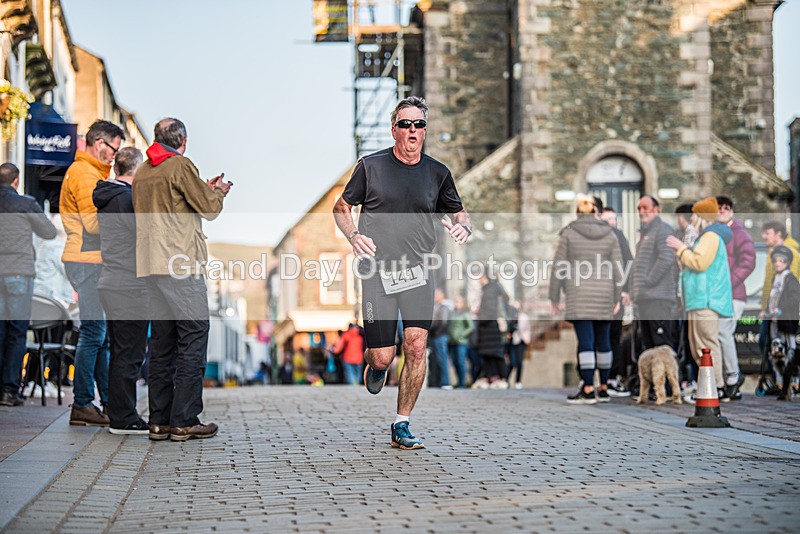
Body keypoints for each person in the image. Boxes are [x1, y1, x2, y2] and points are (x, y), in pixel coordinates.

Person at [333, 96, 471, 450]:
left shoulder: (437, 173)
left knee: (417, 344)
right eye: (406, 124)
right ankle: (375, 365)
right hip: (378, 272)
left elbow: (460, 212)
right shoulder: (371, 167)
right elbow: (342, 207)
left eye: (419, 124)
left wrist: (462, 227)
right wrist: (354, 235)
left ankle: (402, 423)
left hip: (419, 271)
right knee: (383, 355)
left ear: (424, 131)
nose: (413, 130)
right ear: (394, 129)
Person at [132, 118, 231, 442]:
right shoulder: (179, 165)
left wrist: (200, 186)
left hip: (150, 264)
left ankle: (159, 421)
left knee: (162, 344)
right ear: (183, 141)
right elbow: (208, 208)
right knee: (193, 336)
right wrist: (216, 191)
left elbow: (172, 204)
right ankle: (185, 419)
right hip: (180, 264)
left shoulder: (144, 172)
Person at [61, 120, 125, 426]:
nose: (115, 156)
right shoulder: (85, 174)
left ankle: (108, 402)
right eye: (114, 148)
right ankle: (83, 403)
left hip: (92, 260)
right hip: (86, 260)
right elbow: (94, 224)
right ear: (99, 144)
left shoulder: (93, 173)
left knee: (102, 338)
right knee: (94, 333)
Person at [93, 147, 149, 434]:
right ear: (136, 170)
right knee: (130, 354)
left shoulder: (108, 197)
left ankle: (119, 414)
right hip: (129, 284)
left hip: (111, 280)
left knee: (119, 351)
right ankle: (124, 418)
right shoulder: (128, 200)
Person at [550, 195, 622, 404]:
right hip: (605, 293)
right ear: (595, 213)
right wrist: (617, 295)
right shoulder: (610, 234)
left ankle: (588, 388)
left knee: (586, 341)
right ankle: (604, 386)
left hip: (578, 293)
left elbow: (559, 266)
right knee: (604, 340)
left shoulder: (569, 233)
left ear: (577, 213)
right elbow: (618, 267)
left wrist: (554, 296)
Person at [0, 163, 57, 406]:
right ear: (16, 181)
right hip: (19, 271)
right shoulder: (25, 203)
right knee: (16, 331)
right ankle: (9, 390)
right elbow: (49, 232)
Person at [667, 197, 733, 398]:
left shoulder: (710, 237)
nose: (692, 218)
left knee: (707, 345)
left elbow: (699, 263)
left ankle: (717, 387)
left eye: (695, 214)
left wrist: (681, 248)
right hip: (697, 300)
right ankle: (708, 387)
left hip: (706, 301)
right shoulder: (704, 237)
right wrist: (682, 254)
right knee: (698, 347)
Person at [625, 195, 678, 352]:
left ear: (656, 209)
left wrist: (648, 280)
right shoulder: (645, 233)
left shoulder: (663, 230)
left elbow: (667, 258)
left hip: (658, 300)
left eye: (645, 208)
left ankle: (668, 377)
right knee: (649, 346)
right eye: (639, 208)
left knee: (662, 346)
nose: (641, 211)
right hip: (646, 299)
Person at [715, 196, 755, 400]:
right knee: (716, 336)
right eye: (718, 208)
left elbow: (748, 261)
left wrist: (728, 283)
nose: (722, 211)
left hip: (733, 293)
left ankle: (732, 377)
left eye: (725, 208)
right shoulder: (714, 232)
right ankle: (725, 380)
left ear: (731, 211)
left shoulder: (738, 233)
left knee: (723, 332)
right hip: (717, 294)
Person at [600, 206, 633, 396]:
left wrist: (626, 290)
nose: (610, 223)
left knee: (613, 336)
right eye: (607, 219)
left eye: (613, 219)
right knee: (603, 337)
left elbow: (628, 262)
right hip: (601, 295)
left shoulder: (618, 237)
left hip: (616, 296)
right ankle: (604, 379)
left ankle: (611, 378)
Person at [759, 221, 800, 364]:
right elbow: (770, 285)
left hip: (785, 313)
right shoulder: (773, 253)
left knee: (786, 347)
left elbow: (790, 286)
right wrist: (765, 307)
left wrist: (782, 309)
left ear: (778, 234)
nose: (764, 236)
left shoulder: (789, 254)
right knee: (768, 345)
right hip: (772, 311)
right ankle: (778, 380)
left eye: (768, 233)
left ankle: (787, 380)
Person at [765, 245, 800, 400]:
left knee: (789, 354)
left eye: (781, 261)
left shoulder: (790, 279)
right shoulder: (776, 278)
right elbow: (772, 297)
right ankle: (780, 384)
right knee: (776, 353)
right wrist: (767, 309)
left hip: (786, 322)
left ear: (787, 262)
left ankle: (791, 385)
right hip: (775, 321)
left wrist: (781, 310)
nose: (778, 263)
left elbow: (794, 299)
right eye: (776, 261)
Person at [475, 272, 510, 389]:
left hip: (489, 326)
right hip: (489, 326)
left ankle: (502, 377)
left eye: (480, 276)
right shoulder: (491, 289)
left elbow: (489, 309)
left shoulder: (490, 290)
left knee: (495, 354)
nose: (479, 279)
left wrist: (481, 318)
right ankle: (493, 377)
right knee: (489, 354)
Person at [448, 294, 474, 389]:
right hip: (452, 341)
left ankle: (462, 383)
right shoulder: (453, 313)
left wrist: (461, 335)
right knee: (454, 362)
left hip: (461, 341)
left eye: (458, 301)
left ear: (463, 303)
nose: (456, 303)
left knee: (461, 361)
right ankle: (459, 381)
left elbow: (471, 327)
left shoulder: (465, 314)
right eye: (455, 301)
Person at [429, 288, 452, 389]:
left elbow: (443, 323)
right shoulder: (432, 307)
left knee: (442, 359)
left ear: (442, 296)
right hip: (433, 337)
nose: (434, 297)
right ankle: (434, 382)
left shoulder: (444, 308)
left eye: (436, 294)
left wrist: (433, 329)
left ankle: (445, 382)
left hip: (440, 336)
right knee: (434, 361)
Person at [507, 301, 530, 389]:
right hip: (512, 341)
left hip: (521, 341)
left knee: (520, 362)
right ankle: (506, 379)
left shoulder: (524, 317)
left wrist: (527, 338)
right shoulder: (510, 317)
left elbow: (527, 328)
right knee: (512, 362)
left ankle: (518, 381)